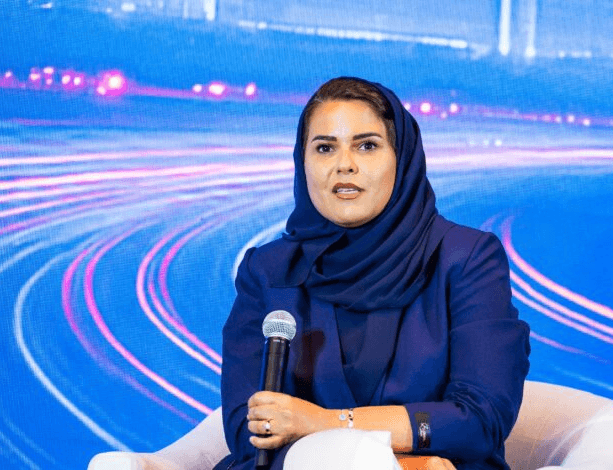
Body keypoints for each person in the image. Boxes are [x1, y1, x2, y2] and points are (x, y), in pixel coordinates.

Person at [216, 77, 530, 470]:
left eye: (367, 145)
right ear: (303, 162)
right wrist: (398, 464)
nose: (344, 164)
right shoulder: (267, 271)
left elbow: (480, 419)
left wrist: (326, 423)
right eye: (325, 147)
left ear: (402, 158)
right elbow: (246, 433)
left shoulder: (466, 259)